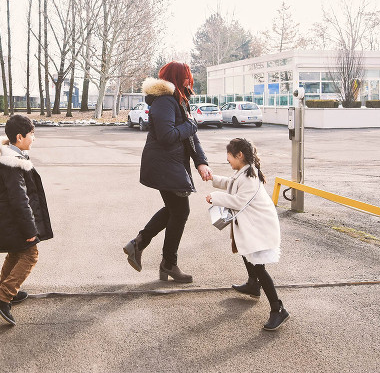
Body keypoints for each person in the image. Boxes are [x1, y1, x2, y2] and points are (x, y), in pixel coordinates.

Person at [123, 61, 211, 283]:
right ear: (177, 76)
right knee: (179, 211)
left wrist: (201, 161)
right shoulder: (164, 101)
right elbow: (167, 135)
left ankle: (144, 247)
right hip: (164, 165)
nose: (189, 80)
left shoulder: (177, 99)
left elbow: (190, 136)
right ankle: (164, 261)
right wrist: (191, 125)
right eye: (186, 76)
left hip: (171, 164)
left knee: (176, 210)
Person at [205, 137, 289, 331]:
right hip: (253, 226)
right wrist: (213, 179)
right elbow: (231, 183)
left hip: (260, 228)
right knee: (245, 251)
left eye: (229, 157)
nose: (227, 160)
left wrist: (216, 198)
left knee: (259, 267)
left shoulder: (250, 177)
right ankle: (253, 285)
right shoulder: (242, 173)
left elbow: (238, 201)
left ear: (239, 155)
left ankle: (278, 309)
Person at [0, 115, 53, 325]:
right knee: (30, 255)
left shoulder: (13, 157)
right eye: (32, 134)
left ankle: (4, 290)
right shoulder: (13, 164)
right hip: (15, 219)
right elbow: (20, 200)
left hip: (11, 219)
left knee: (16, 253)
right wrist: (30, 230)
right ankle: (3, 295)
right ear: (19, 136)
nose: (34, 138)